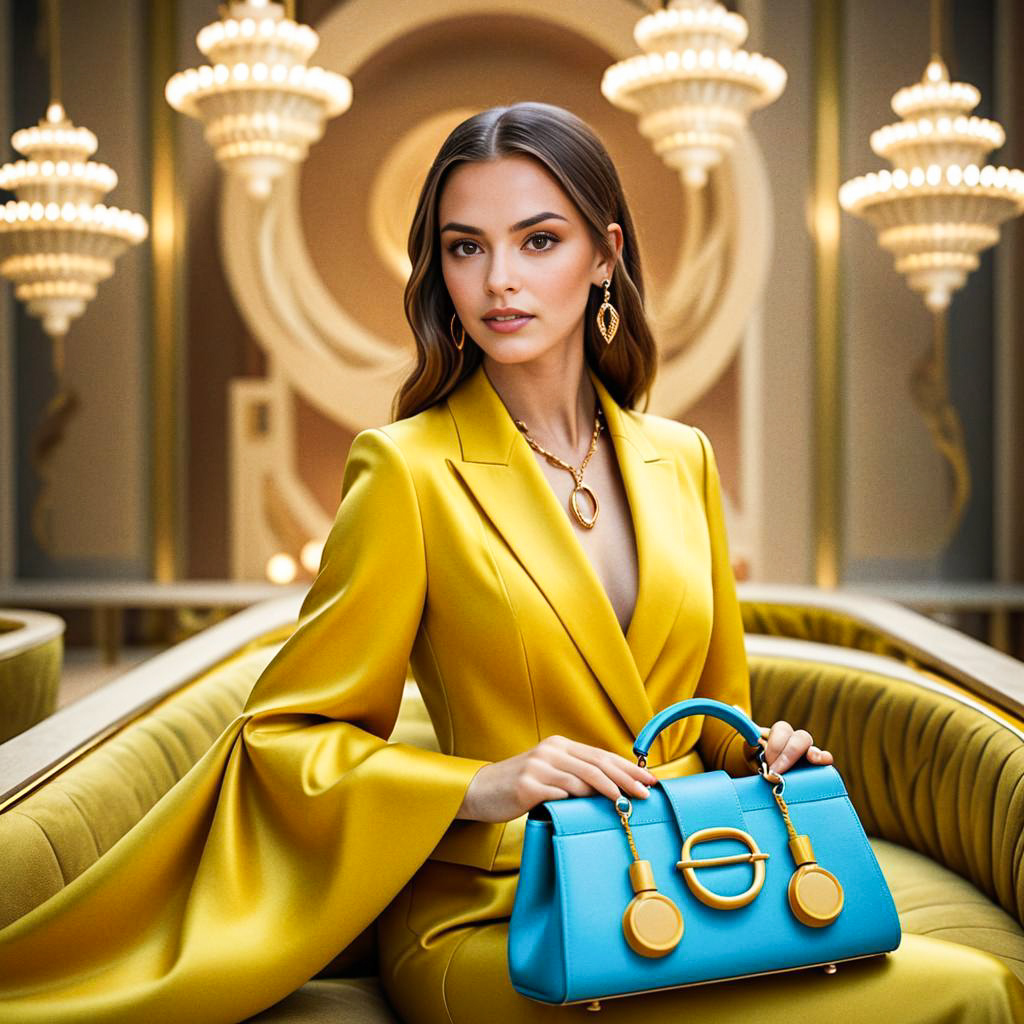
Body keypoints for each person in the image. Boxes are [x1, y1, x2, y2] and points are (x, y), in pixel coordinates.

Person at [0, 102, 1021, 1024]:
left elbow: (715, 711)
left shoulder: (683, 461)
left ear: (603, 254)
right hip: (502, 913)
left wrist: (765, 754)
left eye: (538, 240)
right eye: (464, 247)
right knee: (965, 994)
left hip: (696, 877)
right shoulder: (404, 470)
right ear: (438, 269)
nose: (498, 280)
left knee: (974, 986)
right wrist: (478, 783)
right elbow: (286, 737)